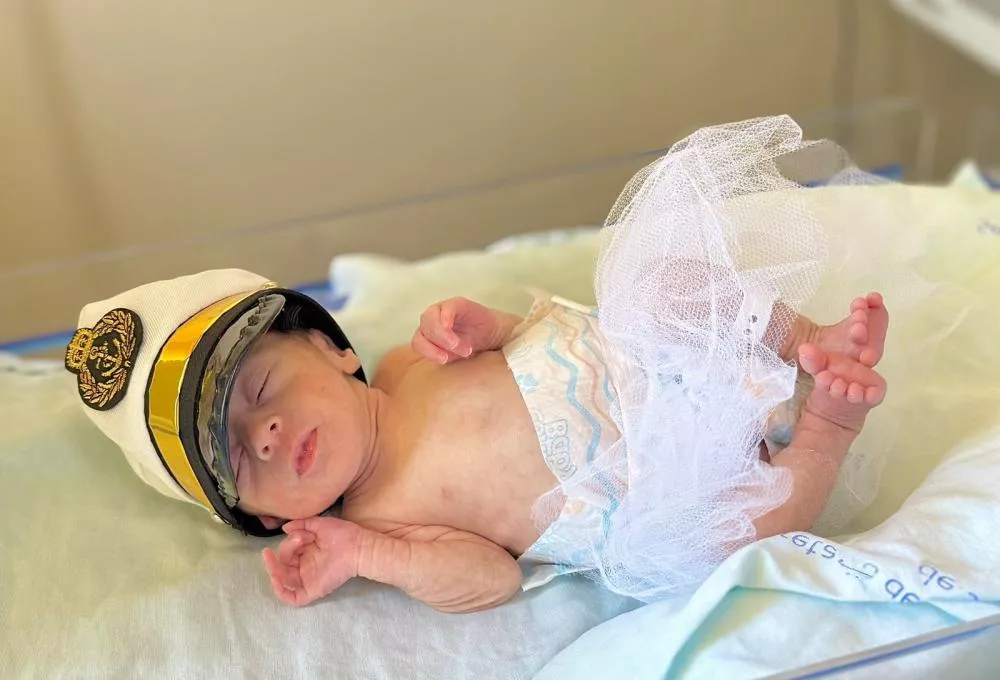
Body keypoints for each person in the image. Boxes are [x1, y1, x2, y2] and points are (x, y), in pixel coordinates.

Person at [65, 116, 889, 611]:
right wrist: (363, 556)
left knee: (654, 283)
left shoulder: (411, 361)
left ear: (330, 348)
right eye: (242, 459)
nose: (268, 434)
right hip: (666, 489)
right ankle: (827, 428)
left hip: (657, 356)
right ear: (270, 519)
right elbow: (488, 580)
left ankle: (806, 340)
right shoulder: (383, 522)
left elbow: (543, 335)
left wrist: (489, 325)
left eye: (260, 389)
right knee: (733, 541)